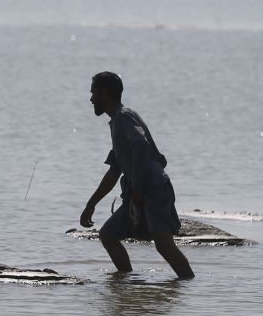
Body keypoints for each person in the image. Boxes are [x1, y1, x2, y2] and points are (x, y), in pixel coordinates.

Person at [79, 71, 194, 279]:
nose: (91, 99)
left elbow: (141, 144)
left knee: (163, 245)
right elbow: (114, 171)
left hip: (152, 189)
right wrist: (91, 203)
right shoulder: (117, 122)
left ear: (104, 93)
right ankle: (126, 283)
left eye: (93, 93)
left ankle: (188, 285)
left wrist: (139, 190)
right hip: (137, 190)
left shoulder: (123, 117)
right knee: (108, 235)